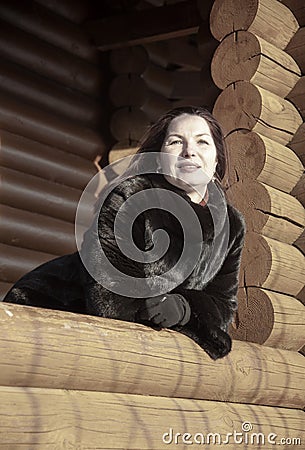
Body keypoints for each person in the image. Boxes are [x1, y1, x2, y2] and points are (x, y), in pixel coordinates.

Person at [3, 106, 246, 360]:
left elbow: (223, 304)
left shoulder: (231, 225)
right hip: (50, 313)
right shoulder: (130, 198)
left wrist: (185, 309)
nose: (189, 151)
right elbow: (110, 298)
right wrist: (175, 314)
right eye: (176, 141)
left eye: (202, 142)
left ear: (217, 160)